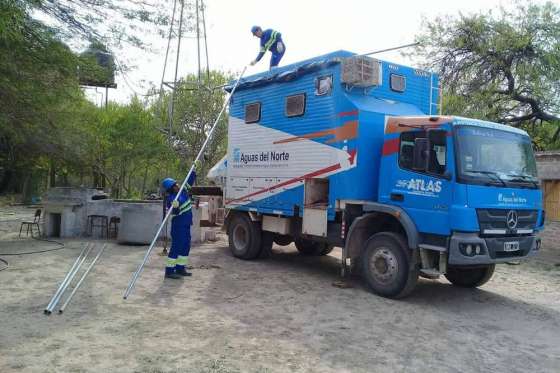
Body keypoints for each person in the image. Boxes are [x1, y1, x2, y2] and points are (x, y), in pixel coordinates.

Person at [161, 160, 200, 279]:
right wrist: (175, 206)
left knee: (186, 246)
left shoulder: (184, 191)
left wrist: (193, 169)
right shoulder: (171, 199)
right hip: (178, 226)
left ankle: (180, 268)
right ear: (171, 188)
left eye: (177, 184)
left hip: (186, 224)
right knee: (176, 247)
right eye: (175, 185)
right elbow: (174, 211)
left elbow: (189, 181)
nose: (178, 185)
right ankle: (169, 271)